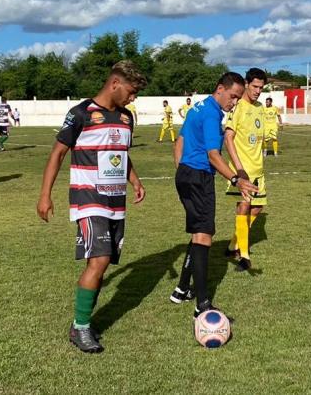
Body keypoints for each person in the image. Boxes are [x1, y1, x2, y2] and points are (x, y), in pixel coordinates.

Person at [37, 60, 148, 354]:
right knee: (98, 261)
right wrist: (45, 195)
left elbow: (121, 155)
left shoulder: (126, 118)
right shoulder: (80, 114)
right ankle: (81, 328)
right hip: (87, 199)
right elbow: (58, 153)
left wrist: (135, 181)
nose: (133, 98)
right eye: (132, 91)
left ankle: (82, 322)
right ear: (115, 83)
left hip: (116, 202)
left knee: (102, 263)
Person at [169, 72, 256, 318]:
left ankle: (182, 289)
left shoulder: (197, 107)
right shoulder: (211, 113)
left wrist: (182, 170)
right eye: (233, 97)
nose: (234, 103)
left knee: (199, 231)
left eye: (238, 99)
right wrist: (236, 180)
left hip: (186, 175)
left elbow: (181, 140)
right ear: (220, 88)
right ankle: (202, 303)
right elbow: (213, 155)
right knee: (205, 236)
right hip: (198, 177)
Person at [223, 68, 269, 272]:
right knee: (243, 207)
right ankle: (244, 255)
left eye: (261, 87)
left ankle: (233, 244)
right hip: (242, 170)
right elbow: (228, 138)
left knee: (257, 209)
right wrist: (239, 169)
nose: (258, 91)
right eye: (255, 86)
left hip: (258, 169)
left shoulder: (260, 108)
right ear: (247, 84)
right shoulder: (238, 107)